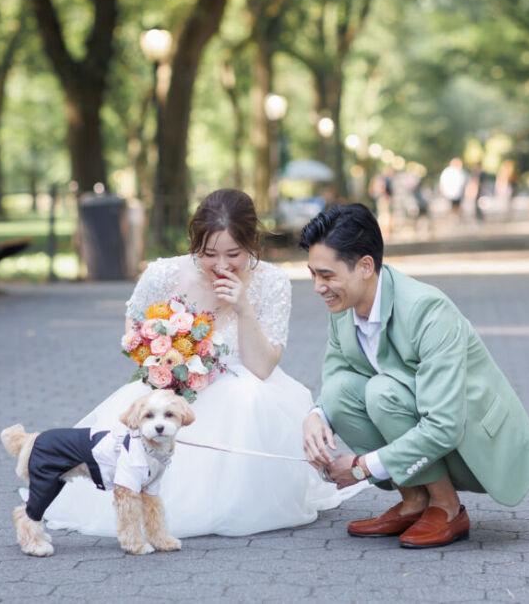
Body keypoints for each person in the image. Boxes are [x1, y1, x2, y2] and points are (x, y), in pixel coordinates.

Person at [42, 189, 360, 538]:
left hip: (242, 382)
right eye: (209, 254)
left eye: (234, 254)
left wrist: (243, 308)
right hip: (169, 386)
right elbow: (134, 334)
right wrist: (163, 361)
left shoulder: (271, 281)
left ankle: (237, 503)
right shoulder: (163, 274)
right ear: (195, 245)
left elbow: (263, 368)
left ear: (253, 244)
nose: (221, 265)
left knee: (247, 399)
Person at [299, 204, 529, 548]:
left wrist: (362, 467)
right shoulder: (343, 306)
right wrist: (316, 415)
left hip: (468, 440)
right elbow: (339, 371)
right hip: (419, 431)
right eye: (312, 274)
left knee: (382, 392)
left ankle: (447, 507)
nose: (317, 287)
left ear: (366, 267)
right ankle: (414, 500)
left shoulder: (428, 310)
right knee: (339, 391)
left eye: (326, 275)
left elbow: (444, 425)